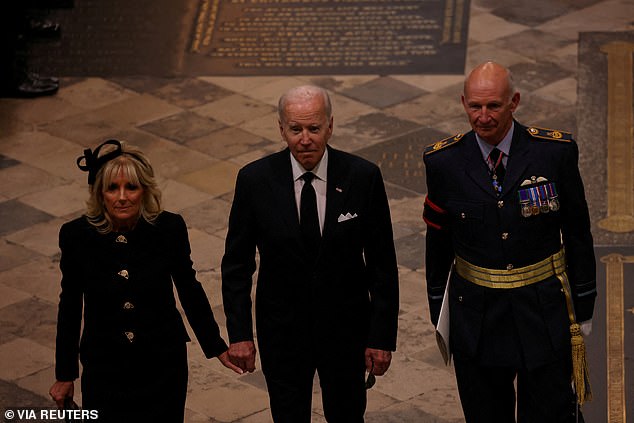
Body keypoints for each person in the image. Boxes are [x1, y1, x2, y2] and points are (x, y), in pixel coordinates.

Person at [422, 62, 597, 422]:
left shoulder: (554, 153)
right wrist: (441, 311)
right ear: (463, 103)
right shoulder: (444, 162)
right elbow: (437, 244)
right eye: (474, 106)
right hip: (477, 317)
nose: (483, 117)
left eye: (493, 106)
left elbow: (579, 233)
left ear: (514, 101)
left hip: (543, 312)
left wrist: (585, 305)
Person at [221, 85, 399, 422]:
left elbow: (382, 265)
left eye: (314, 129)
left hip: (347, 331)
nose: (305, 139)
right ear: (281, 129)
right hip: (282, 331)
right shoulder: (254, 181)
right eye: (296, 129)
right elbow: (237, 265)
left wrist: (381, 337)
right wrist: (240, 334)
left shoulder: (362, 177)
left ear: (330, 126)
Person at [49, 139, 241, 422]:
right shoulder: (77, 236)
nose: (122, 197)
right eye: (112, 188)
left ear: (145, 191)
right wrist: (65, 374)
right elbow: (69, 307)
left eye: (132, 187)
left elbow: (189, 288)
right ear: (100, 194)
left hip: (162, 362)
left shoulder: (168, 228)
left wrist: (216, 345)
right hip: (105, 364)